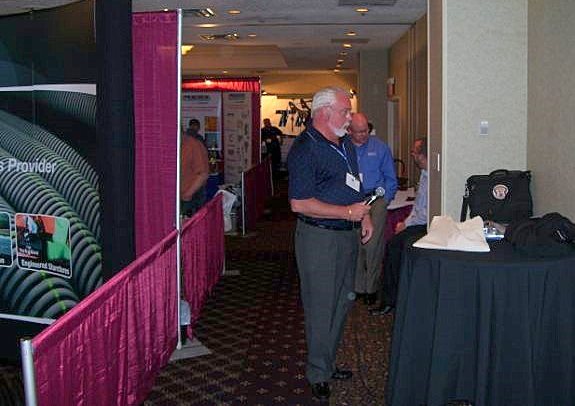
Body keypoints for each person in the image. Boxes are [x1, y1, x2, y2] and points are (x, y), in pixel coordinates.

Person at [287, 87, 373, 401]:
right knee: (321, 307)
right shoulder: (305, 149)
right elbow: (299, 203)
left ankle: (328, 362)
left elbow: (354, 185)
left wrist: (364, 216)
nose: (349, 117)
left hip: (347, 234)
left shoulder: (345, 143)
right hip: (319, 238)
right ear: (324, 113)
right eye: (344, 111)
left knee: (342, 302)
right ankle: (318, 373)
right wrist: (346, 212)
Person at [371, 137, 428, 316]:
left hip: (425, 226)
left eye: (414, 152)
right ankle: (391, 296)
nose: (411, 154)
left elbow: (425, 214)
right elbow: (418, 207)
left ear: (422, 155)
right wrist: (406, 222)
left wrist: (406, 224)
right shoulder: (424, 174)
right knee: (393, 245)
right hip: (417, 222)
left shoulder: (433, 178)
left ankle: (390, 300)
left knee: (393, 247)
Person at [349, 113, 397, 305]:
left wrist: (385, 200)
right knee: (355, 243)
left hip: (375, 198)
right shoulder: (344, 148)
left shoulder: (380, 148)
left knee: (372, 244)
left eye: (366, 131)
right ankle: (358, 287)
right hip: (352, 199)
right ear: (349, 131)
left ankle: (372, 288)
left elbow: (390, 178)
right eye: (359, 132)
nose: (363, 135)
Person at [180, 127, 210, 217]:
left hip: (190, 198)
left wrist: (187, 195)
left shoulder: (193, 145)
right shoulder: (177, 145)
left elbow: (203, 174)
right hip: (179, 197)